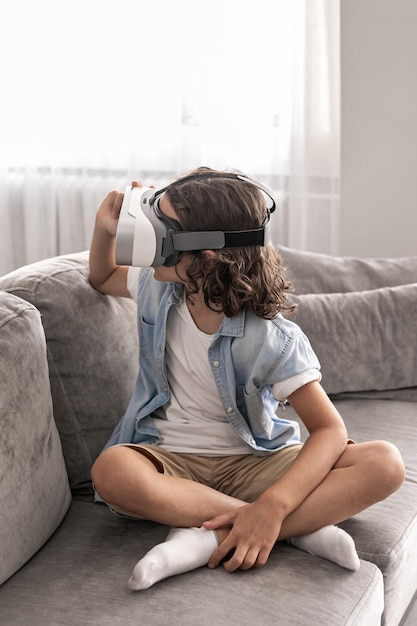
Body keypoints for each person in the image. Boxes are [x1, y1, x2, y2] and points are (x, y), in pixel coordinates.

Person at [89, 167, 405, 591]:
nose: (150, 239)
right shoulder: (156, 286)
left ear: (209, 253)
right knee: (112, 471)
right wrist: (106, 229)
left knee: (384, 463)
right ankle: (288, 528)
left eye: (163, 230)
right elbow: (102, 276)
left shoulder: (271, 338)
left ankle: (212, 536)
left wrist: (274, 502)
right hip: (172, 461)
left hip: (254, 461)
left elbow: (330, 430)